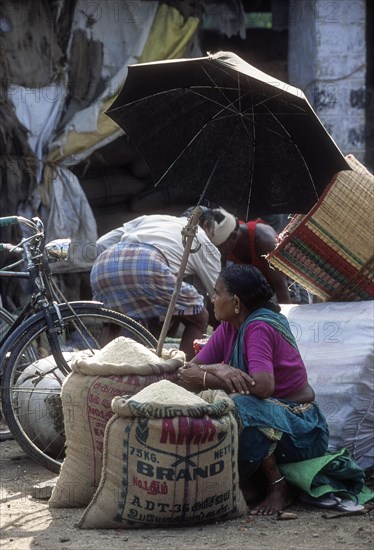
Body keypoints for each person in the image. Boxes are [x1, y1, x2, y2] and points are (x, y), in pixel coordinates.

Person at [177, 264, 329, 515]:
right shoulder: (229, 325)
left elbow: (262, 387)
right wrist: (218, 368)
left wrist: (208, 377)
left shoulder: (258, 327)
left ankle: (278, 486)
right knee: (207, 399)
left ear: (235, 301)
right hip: (273, 419)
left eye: (217, 293)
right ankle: (248, 483)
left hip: (302, 427)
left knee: (238, 403)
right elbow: (190, 373)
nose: (212, 299)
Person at [90, 210, 221, 360]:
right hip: (148, 263)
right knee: (199, 316)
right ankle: (183, 375)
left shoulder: (152, 219)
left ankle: (100, 370)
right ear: (206, 224)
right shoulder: (201, 238)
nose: (212, 239)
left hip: (104, 262)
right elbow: (219, 295)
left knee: (114, 321)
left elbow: (101, 243)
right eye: (213, 233)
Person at [210, 208, 292, 304]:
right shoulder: (225, 243)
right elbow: (220, 284)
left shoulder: (266, 242)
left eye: (219, 247)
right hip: (257, 289)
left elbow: (282, 292)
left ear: (233, 238)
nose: (217, 251)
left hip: (287, 284)